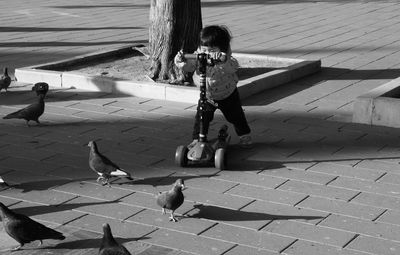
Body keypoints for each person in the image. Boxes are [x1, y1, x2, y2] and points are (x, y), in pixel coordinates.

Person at [174, 25, 252, 148]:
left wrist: (222, 60)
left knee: (236, 116)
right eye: (204, 49)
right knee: (201, 117)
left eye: (212, 50)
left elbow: (233, 67)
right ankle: (198, 138)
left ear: (222, 49)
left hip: (227, 95)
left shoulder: (227, 61)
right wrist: (181, 62)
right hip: (208, 96)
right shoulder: (199, 56)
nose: (207, 53)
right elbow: (190, 67)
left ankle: (244, 134)